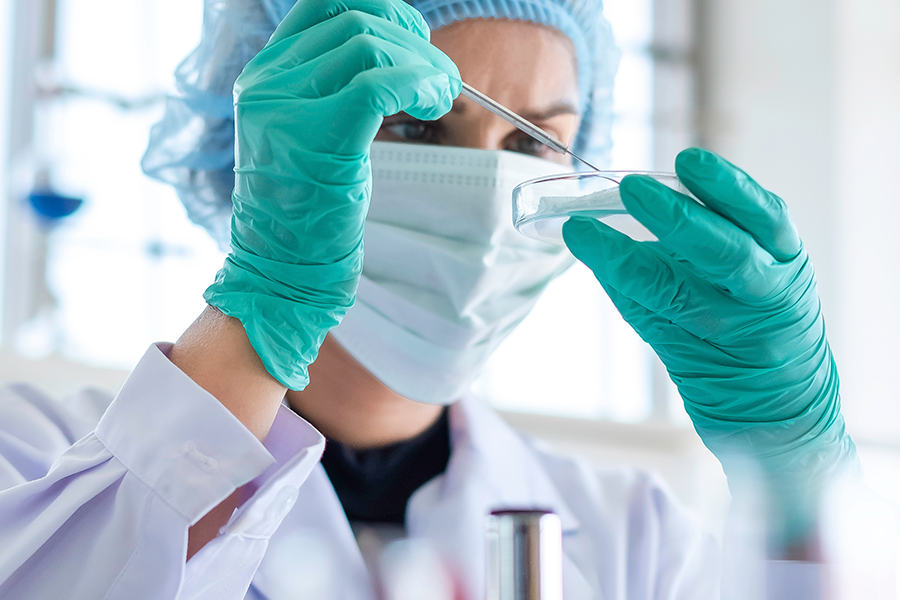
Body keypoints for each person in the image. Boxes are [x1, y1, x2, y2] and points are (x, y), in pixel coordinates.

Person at [0, 0, 859, 598]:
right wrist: (265, 307)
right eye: (411, 126)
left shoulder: (635, 542)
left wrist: (797, 477)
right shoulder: (29, 459)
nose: (487, 188)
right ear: (264, 152)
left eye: (532, 139)